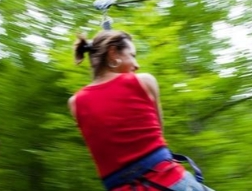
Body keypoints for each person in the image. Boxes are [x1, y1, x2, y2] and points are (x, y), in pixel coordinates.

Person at [68, 30, 214, 191]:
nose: (137, 65)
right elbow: (158, 134)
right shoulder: (144, 82)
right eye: (132, 55)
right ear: (113, 52)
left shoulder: (75, 103)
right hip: (170, 182)